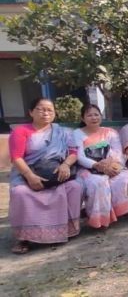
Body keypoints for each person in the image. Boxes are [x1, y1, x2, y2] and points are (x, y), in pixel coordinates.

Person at [8, 98, 82, 254]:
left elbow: (74, 152)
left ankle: (65, 231)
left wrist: (65, 165)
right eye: (41, 109)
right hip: (27, 172)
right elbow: (16, 157)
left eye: (50, 110)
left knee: (74, 186)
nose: (46, 113)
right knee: (20, 193)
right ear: (31, 112)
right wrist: (30, 176)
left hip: (57, 173)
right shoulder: (20, 131)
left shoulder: (63, 132)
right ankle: (24, 238)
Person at [73, 104, 128, 228]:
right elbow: (79, 156)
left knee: (122, 178)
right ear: (83, 118)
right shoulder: (77, 134)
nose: (94, 118)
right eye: (89, 115)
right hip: (88, 169)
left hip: (111, 165)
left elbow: (118, 152)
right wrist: (96, 165)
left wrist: (110, 164)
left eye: (96, 114)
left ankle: (117, 212)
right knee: (98, 183)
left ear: (101, 116)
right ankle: (99, 218)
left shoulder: (110, 132)